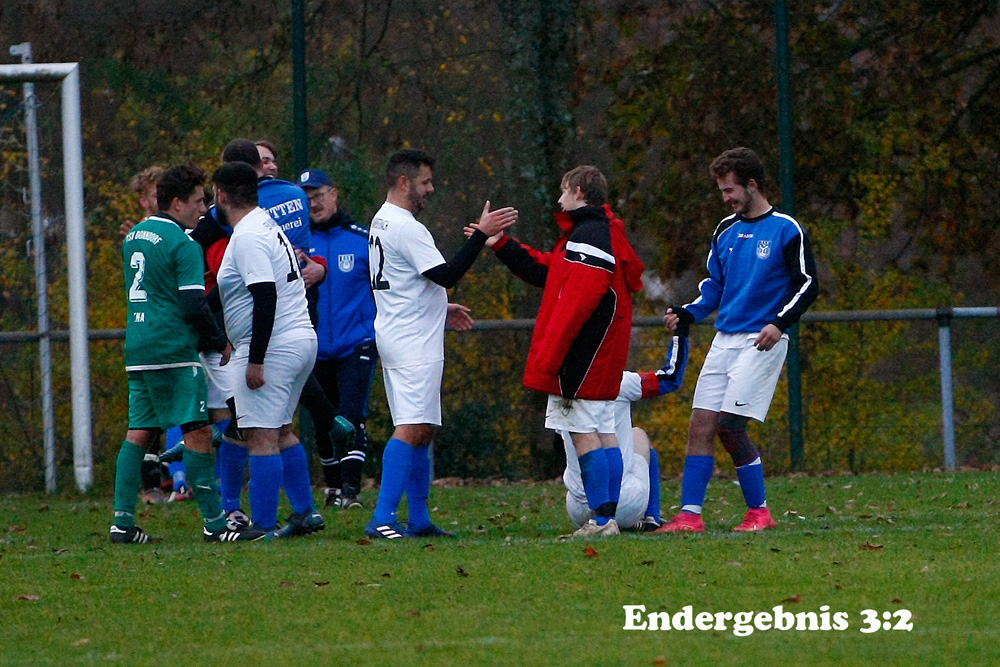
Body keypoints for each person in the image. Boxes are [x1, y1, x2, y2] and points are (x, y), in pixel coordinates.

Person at [475, 165, 645, 538]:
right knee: (603, 429)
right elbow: (550, 273)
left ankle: (601, 521)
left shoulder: (589, 236)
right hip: (600, 353)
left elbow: (578, 303)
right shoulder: (601, 231)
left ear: (580, 193)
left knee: (583, 429)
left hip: (582, 354)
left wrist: (554, 355)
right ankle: (607, 518)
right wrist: (502, 244)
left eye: (564, 191)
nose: (558, 199)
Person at [658, 147, 818, 533]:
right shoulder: (725, 230)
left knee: (731, 426)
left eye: (730, 190)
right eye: (722, 191)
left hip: (761, 340)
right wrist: (687, 312)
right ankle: (690, 516)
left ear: (752, 185)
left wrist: (779, 324)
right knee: (700, 424)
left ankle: (759, 512)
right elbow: (714, 287)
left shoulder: (786, 229)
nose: (726, 198)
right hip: (724, 340)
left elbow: (808, 284)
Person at [365, 149, 517, 539]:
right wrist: (481, 235)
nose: (430, 189)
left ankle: (418, 520)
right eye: (425, 182)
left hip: (402, 331)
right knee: (413, 427)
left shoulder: (382, 220)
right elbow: (447, 273)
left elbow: (408, 281)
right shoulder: (406, 226)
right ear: (404, 183)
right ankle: (382, 518)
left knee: (424, 427)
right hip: (412, 340)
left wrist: (438, 306)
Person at [111, 164, 265, 544]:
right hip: (173, 348)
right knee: (197, 431)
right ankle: (216, 525)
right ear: (177, 202)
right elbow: (194, 305)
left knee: (140, 432)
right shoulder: (184, 243)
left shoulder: (135, 235)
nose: (205, 209)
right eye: (199, 201)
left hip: (139, 345)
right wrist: (218, 342)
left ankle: (122, 523)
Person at [213, 161, 324, 538]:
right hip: (299, 339)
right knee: (280, 430)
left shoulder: (247, 236)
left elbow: (264, 294)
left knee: (260, 436)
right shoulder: (265, 224)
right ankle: (306, 513)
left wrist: (255, 359)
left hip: (275, 345)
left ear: (220, 195)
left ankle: (261, 525)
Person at [298, 167, 377, 509]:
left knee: (351, 414)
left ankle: (351, 490)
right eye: (306, 198)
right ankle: (331, 489)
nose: (313, 203)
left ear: (334, 194)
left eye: (318, 195)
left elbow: (394, 284)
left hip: (355, 343)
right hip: (312, 347)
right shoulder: (295, 244)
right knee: (323, 419)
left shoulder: (363, 240)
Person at [561, 334, 689, 534]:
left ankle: (601, 519)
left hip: (577, 508)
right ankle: (651, 517)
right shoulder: (621, 381)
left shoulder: (560, 386)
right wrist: (680, 334)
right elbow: (670, 379)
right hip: (624, 503)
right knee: (638, 435)